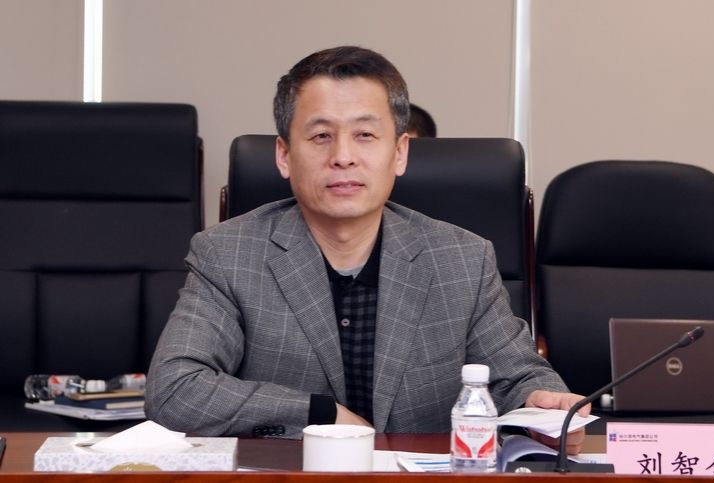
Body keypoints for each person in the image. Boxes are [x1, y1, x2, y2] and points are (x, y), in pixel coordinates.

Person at [145, 45, 588, 454]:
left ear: (400, 153)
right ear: (284, 155)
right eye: (321, 136)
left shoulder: (461, 259)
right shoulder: (228, 254)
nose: (343, 156)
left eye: (365, 135)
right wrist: (318, 414)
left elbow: (516, 377)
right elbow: (175, 390)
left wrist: (541, 402)